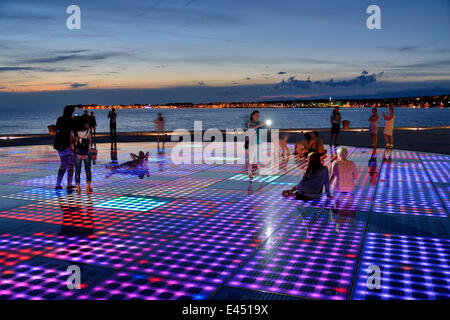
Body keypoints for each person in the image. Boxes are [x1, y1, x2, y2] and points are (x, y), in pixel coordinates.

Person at [54, 105, 76, 190]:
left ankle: (58, 184)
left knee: (63, 165)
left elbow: (57, 129)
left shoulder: (60, 119)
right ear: (71, 112)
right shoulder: (71, 120)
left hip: (60, 145)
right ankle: (69, 184)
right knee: (71, 165)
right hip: (69, 144)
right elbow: (74, 131)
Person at [73, 118, 93, 194]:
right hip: (86, 153)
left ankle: (78, 188)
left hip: (78, 153)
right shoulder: (87, 131)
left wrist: (76, 150)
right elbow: (90, 142)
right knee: (88, 170)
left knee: (77, 171)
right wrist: (88, 151)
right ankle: (88, 187)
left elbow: (75, 143)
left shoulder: (76, 132)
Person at [247, 110, 265, 179]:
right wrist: (260, 125)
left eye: (258, 115)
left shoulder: (259, 123)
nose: (258, 117)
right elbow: (251, 128)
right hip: (252, 143)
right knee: (251, 159)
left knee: (259, 158)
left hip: (259, 142)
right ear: (253, 115)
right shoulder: (250, 123)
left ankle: (260, 172)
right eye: (256, 115)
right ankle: (250, 173)